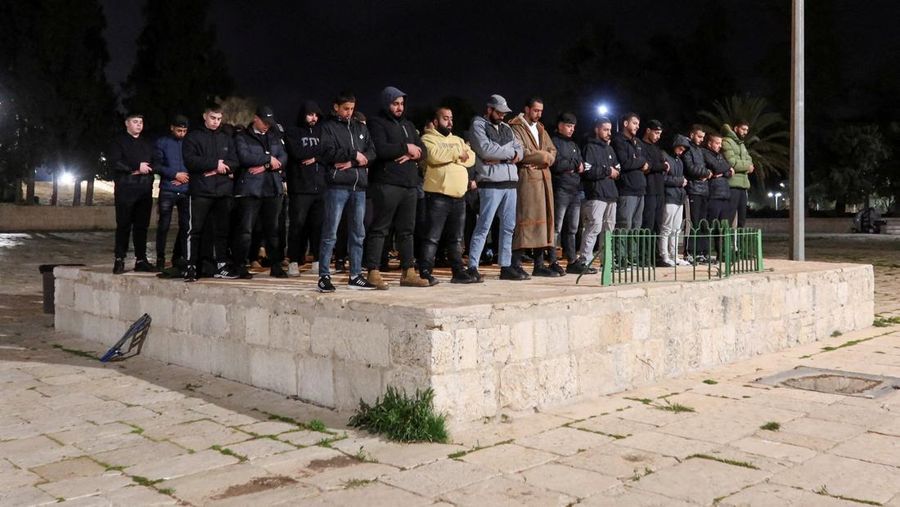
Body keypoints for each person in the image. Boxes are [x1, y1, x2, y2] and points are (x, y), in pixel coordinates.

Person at [364, 86, 430, 289]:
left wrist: (412, 152)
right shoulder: (376, 123)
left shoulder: (409, 125)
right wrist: (406, 148)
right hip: (387, 183)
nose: (399, 107)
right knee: (380, 228)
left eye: (401, 103)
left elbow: (423, 150)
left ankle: (408, 271)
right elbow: (380, 148)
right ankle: (373, 271)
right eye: (395, 103)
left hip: (409, 185)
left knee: (407, 230)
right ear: (386, 103)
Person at [317, 91, 377, 292]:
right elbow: (326, 152)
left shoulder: (360, 127)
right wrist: (354, 154)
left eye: (352, 108)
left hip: (359, 188)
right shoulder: (328, 127)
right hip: (337, 187)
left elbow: (372, 152)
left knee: (358, 233)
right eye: (346, 108)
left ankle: (355, 275)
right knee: (330, 232)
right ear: (336, 107)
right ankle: (324, 275)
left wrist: (353, 160)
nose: (349, 112)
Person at [466, 94, 524, 282]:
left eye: (504, 113)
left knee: (509, 227)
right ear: (489, 109)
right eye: (498, 112)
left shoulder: (507, 127)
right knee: (484, 226)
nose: (502, 116)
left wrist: (502, 155)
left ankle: (505, 266)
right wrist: (510, 154)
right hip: (490, 184)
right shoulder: (478, 124)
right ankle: (472, 266)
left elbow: (520, 150)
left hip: (510, 183)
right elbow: (484, 150)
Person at [182, 104, 240, 282]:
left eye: (219, 119)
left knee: (221, 231)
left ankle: (221, 265)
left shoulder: (226, 138)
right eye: (213, 118)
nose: (216, 122)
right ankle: (190, 266)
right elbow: (191, 161)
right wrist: (216, 164)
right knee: (194, 230)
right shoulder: (193, 137)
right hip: (201, 191)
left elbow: (235, 161)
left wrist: (217, 169)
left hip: (222, 191)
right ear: (205, 116)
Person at [419, 107, 478, 284]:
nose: (450, 122)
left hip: (459, 196)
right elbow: (434, 156)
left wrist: (457, 155)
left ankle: (458, 271)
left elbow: (472, 157)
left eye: (451, 118)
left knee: (457, 238)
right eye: (445, 118)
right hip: (438, 196)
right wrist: (458, 154)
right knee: (432, 237)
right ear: (436, 122)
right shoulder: (427, 138)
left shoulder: (458, 139)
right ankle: (425, 271)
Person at [233, 106, 289, 279]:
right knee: (246, 230)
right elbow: (244, 157)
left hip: (272, 189)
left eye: (269, 123)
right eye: (264, 122)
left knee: (273, 230)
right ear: (255, 118)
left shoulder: (274, 136)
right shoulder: (242, 136)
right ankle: (240, 264)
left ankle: (275, 265)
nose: (267, 125)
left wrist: (265, 165)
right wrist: (268, 160)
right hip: (250, 190)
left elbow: (283, 158)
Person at [508, 96, 559, 278]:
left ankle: (539, 264)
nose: (538, 114)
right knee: (525, 220)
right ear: (527, 109)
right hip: (527, 180)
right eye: (535, 110)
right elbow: (522, 151)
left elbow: (552, 151)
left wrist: (545, 158)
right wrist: (544, 158)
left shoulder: (540, 128)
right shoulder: (515, 127)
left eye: (541, 111)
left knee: (544, 222)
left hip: (544, 179)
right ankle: (515, 263)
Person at [568, 117, 620, 274]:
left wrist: (609, 171)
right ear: (597, 129)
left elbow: (618, 169)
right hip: (596, 194)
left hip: (611, 194)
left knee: (609, 229)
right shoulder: (589, 147)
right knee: (593, 227)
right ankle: (584, 260)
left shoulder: (610, 149)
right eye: (605, 129)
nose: (608, 133)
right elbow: (589, 171)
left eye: (610, 130)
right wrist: (607, 171)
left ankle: (607, 260)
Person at [108, 112, 157, 274]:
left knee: (142, 226)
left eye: (141, 122)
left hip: (144, 190)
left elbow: (155, 162)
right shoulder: (119, 141)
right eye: (135, 122)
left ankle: (141, 259)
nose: (138, 125)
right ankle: (119, 259)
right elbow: (116, 162)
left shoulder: (147, 143)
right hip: (125, 190)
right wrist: (137, 167)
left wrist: (147, 170)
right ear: (127, 124)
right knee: (123, 225)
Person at [284, 100, 326, 277]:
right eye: (310, 114)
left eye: (316, 115)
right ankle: (293, 261)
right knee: (297, 226)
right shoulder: (293, 132)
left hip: (320, 188)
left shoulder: (322, 131)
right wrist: (320, 154)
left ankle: (317, 260)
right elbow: (298, 152)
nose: (313, 118)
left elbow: (329, 151)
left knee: (318, 226)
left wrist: (317, 158)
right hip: (300, 187)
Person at [154, 115, 191, 271]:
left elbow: (194, 162)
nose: (181, 134)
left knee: (185, 226)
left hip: (185, 189)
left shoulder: (190, 143)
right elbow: (157, 164)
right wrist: (175, 175)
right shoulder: (162, 142)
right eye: (179, 130)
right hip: (168, 189)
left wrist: (186, 177)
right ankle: (160, 258)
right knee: (164, 225)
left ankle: (182, 257)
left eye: (184, 131)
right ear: (172, 128)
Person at [549, 112, 583, 268]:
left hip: (575, 189)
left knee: (573, 227)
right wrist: (573, 165)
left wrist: (571, 165)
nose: (571, 129)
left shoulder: (574, 144)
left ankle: (571, 260)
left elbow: (581, 165)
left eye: (573, 127)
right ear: (560, 125)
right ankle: (552, 260)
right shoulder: (553, 142)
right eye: (569, 126)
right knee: (556, 226)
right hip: (561, 189)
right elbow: (556, 164)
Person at [612, 112, 648, 232]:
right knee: (624, 225)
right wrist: (641, 161)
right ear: (625, 123)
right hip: (627, 190)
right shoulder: (618, 140)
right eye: (634, 123)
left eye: (638, 124)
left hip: (640, 189)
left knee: (636, 227)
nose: (637, 126)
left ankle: (633, 252)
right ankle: (620, 251)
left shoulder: (638, 142)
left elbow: (647, 161)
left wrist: (640, 161)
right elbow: (625, 163)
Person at [659, 135, 691, 267]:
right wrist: (680, 181)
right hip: (669, 197)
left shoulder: (679, 160)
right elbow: (663, 179)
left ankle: (674, 255)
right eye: (680, 147)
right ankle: (664, 255)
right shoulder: (664, 156)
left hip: (679, 198)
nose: (682, 150)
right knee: (666, 228)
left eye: (684, 149)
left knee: (677, 229)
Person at [702, 132, 735, 258]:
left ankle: (722, 253)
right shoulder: (705, 153)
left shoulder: (720, 156)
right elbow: (716, 167)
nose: (719, 146)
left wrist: (724, 171)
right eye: (717, 143)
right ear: (710, 143)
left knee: (723, 227)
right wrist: (724, 170)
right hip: (713, 195)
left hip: (725, 195)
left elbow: (729, 169)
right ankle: (706, 253)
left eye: (720, 143)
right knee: (710, 226)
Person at [682, 124, 712, 262]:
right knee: (692, 223)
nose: (701, 139)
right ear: (692, 134)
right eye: (699, 136)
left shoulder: (700, 150)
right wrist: (706, 173)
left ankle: (701, 252)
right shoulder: (687, 149)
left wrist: (707, 173)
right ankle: (689, 252)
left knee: (702, 224)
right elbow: (690, 168)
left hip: (704, 191)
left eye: (703, 137)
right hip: (693, 191)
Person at [722, 120, 755, 228]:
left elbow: (750, 159)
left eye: (747, 130)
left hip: (743, 185)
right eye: (743, 129)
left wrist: (745, 165)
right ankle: (725, 243)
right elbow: (732, 163)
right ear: (736, 128)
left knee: (742, 219)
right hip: (732, 185)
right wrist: (747, 167)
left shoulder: (741, 144)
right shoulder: (726, 141)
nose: (745, 132)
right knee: (729, 217)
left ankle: (738, 244)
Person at [640, 119, 669, 237]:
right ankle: (645, 253)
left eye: (660, 134)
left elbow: (661, 165)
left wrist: (660, 166)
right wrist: (662, 166)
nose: (658, 136)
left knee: (658, 223)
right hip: (649, 190)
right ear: (648, 131)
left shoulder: (657, 149)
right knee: (648, 223)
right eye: (656, 133)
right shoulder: (641, 146)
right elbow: (647, 166)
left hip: (660, 190)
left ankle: (655, 253)